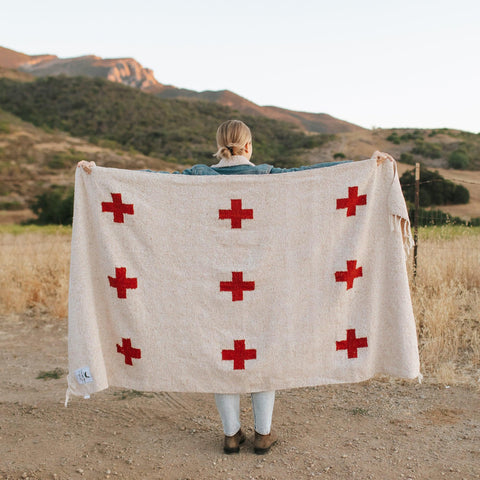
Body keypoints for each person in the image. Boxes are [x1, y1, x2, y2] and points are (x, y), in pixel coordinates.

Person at [78, 119, 394, 455]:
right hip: (263, 288)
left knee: (222, 356)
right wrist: (363, 166)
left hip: (212, 288)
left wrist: (99, 174)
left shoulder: (197, 177)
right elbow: (315, 175)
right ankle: (263, 434)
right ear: (249, 147)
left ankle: (231, 435)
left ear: (219, 145)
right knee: (263, 355)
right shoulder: (269, 176)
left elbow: (149, 183)